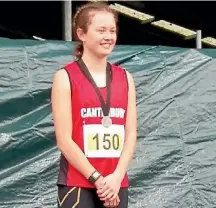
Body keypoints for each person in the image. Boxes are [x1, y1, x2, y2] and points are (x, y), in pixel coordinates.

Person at [51, 2, 137, 208]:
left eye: (112, 31)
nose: (108, 36)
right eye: (101, 30)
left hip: (116, 185)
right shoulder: (65, 77)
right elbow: (64, 140)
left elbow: (131, 134)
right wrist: (98, 179)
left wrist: (116, 178)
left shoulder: (126, 78)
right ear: (82, 34)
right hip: (78, 184)